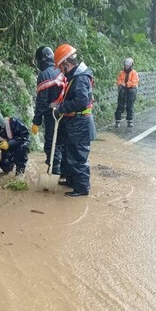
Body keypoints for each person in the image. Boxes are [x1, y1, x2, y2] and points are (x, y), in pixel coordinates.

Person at [52, 44, 94, 197]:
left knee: (77, 157)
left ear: (65, 64)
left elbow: (81, 102)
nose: (61, 72)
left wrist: (62, 107)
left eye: (60, 68)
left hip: (80, 124)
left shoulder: (80, 78)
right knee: (70, 154)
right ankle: (71, 180)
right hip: (75, 123)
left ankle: (82, 188)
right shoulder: (76, 76)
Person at [31, 46, 65, 174]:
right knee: (61, 142)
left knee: (51, 143)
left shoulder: (44, 75)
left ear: (41, 60)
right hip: (66, 113)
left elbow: (42, 101)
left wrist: (36, 121)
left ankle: (55, 170)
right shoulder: (61, 71)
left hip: (52, 115)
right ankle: (63, 171)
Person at [0, 109, 30, 180]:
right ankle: (10, 165)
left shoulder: (13, 123)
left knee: (22, 147)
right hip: (8, 150)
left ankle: (20, 172)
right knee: (5, 167)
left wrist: (9, 143)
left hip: (20, 145)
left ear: (0, 124)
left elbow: (25, 136)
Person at [115, 57, 139, 128]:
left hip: (131, 90)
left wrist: (127, 84)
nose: (126, 67)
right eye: (125, 65)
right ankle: (117, 121)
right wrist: (121, 84)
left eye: (128, 65)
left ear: (131, 65)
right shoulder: (121, 73)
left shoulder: (134, 73)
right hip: (123, 90)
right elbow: (118, 80)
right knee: (120, 106)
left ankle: (129, 121)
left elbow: (134, 82)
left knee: (130, 106)